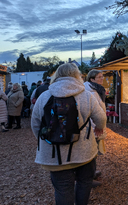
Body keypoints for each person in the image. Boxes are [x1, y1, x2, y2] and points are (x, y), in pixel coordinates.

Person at [31, 63, 106, 205]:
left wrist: (47, 140)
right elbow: (101, 118)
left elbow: (35, 124)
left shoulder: (44, 96)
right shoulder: (86, 95)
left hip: (55, 156)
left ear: (56, 76)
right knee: (84, 183)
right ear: (77, 75)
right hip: (84, 152)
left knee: (63, 189)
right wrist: (99, 129)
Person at [84, 69, 106, 187]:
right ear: (92, 79)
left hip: (95, 127)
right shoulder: (91, 92)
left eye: (102, 76)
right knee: (91, 153)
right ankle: (88, 178)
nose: (102, 79)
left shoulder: (96, 90)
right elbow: (94, 113)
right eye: (99, 77)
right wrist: (97, 126)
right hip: (93, 128)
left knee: (94, 152)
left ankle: (91, 173)